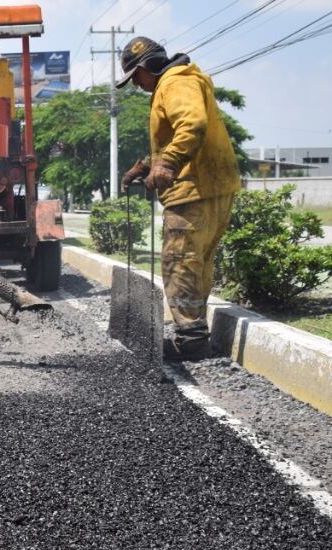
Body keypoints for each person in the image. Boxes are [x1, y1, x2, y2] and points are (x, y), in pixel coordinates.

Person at [117, 37, 241, 361]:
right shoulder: (186, 79)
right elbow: (177, 134)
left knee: (179, 264)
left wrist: (169, 163)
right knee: (197, 263)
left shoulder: (173, 82)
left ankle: (192, 341)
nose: (137, 85)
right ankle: (194, 333)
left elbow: (192, 125)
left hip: (192, 190)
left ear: (144, 68)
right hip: (213, 185)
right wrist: (146, 166)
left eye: (135, 78)